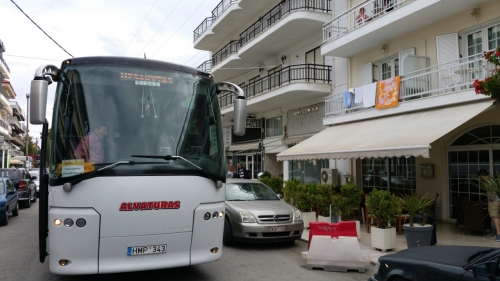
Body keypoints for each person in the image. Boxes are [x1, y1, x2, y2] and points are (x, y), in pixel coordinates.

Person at [479, 169, 500, 241]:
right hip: (496, 201)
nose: (480, 178)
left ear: (482, 175)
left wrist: (491, 199)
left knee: (494, 216)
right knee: (496, 216)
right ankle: (498, 232)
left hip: (494, 201)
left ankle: (498, 234)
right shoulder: (490, 180)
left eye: (480, 176)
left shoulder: (489, 181)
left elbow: (494, 190)